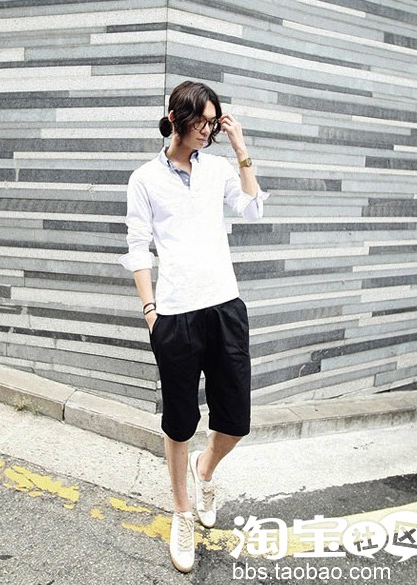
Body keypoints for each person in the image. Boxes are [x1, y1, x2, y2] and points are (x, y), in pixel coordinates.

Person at [119, 80, 269, 573]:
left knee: (235, 421)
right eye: (201, 121)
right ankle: (182, 511)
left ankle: (206, 468)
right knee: (180, 421)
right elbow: (138, 247)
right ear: (176, 119)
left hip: (225, 307)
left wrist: (241, 148)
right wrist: (150, 312)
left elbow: (252, 208)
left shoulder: (220, 167)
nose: (207, 130)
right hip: (175, 314)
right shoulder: (144, 179)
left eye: (212, 122)